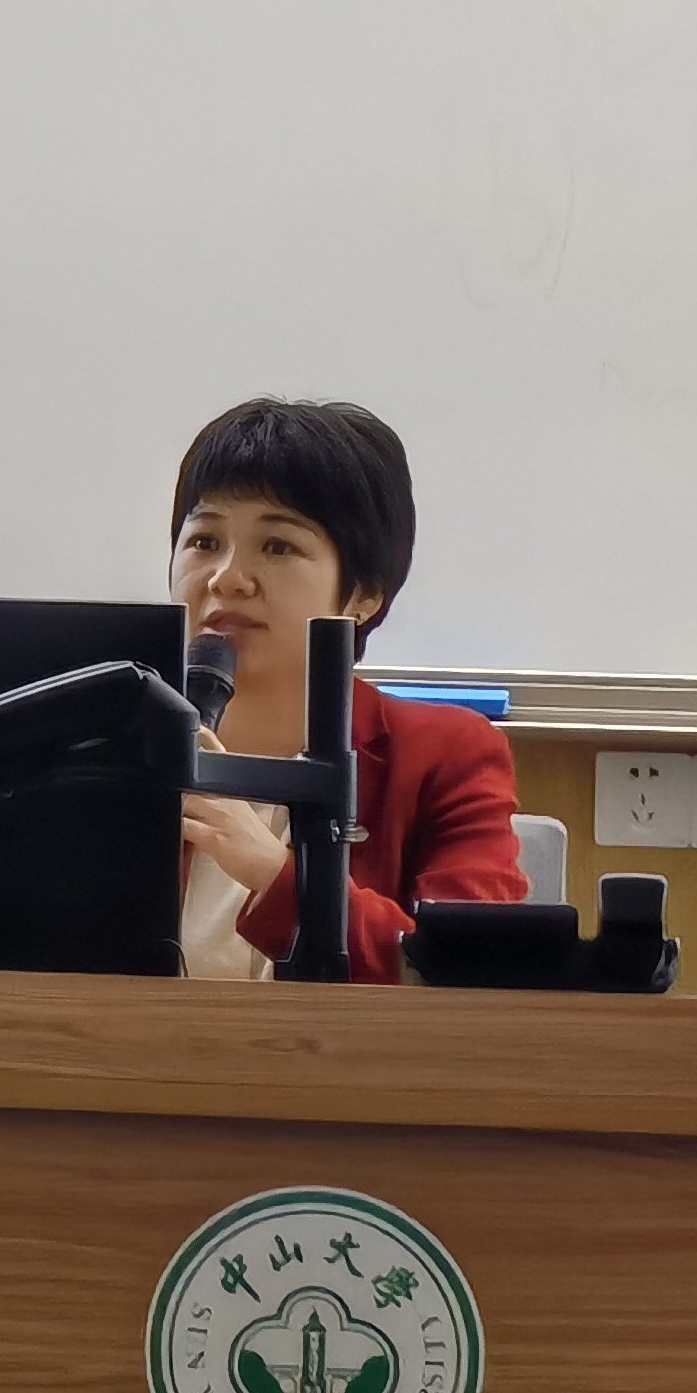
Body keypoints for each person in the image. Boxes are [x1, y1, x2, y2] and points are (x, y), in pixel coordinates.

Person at [167, 398, 525, 982]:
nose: (227, 578)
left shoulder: (443, 755)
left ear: (364, 595)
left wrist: (274, 874)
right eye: (204, 541)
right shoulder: (114, 741)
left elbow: (470, 972)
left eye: (278, 546)